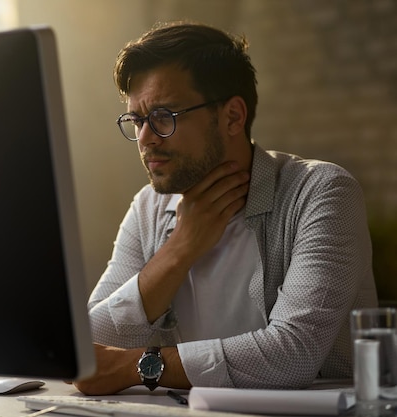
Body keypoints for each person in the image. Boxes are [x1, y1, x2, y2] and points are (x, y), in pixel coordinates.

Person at [73, 20, 378, 396]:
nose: (145, 139)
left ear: (233, 116)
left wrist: (136, 367)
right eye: (136, 120)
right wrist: (179, 251)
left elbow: (294, 353)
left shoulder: (321, 192)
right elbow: (84, 343)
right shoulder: (148, 208)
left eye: (163, 116)